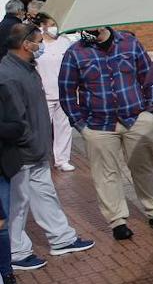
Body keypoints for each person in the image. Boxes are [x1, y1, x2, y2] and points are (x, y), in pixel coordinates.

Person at [59, 25, 153, 240]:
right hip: (98, 125)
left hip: (136, 118)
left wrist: (149, 111)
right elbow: (67, 91)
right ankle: (117, 220)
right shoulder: (75, 52)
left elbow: (148, 76)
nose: (88, 28)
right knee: (105, 174)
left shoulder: (130, 43)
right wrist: (80, 125)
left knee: (145, 166)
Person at [0, 24, 95, 270]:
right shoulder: (9, 75)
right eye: (38, 41)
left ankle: (61, 238)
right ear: (26, 44)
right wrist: (30, 144)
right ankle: (17, 251)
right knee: (18, 203)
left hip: (36, 149)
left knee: (44, 194)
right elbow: (15, 119)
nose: (41, 46)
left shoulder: (26, 69)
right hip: (22, 152)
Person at [31, 13, 76, 171]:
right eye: (51, 24)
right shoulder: (38, 45)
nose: (54, 27)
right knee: (41, 128)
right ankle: (40, 159)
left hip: (64, 92)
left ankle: (62, 159)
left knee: (64, 127)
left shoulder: (65, 42)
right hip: (43, 93)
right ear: (43, 25)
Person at [1, 80, 25, 284]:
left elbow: (17, 126)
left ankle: (7, 276)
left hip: (1, 169)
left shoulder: (3, 89)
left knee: (1, 225)